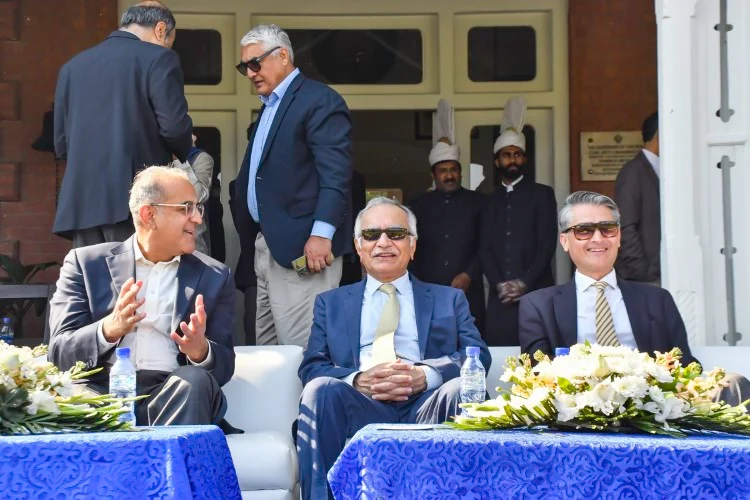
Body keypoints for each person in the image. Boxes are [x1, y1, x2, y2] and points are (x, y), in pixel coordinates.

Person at [296, 196, 490, 500]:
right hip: (362, 405)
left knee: (462, 388)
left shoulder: (448, 299)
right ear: (358, 246)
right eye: (372, 234)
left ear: (412, 246)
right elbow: (312, 367)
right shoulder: (331, 303)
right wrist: (359, 380)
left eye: (396, 234)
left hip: (428, 403)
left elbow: (477, 355)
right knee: (319, 389)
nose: (383, 243)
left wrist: (425, 375)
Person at [518, 191, 749, 406]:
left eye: (608, 229)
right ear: (565, 241)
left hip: (657, 409)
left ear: (618, 237)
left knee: (734, 384)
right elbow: (538, 374)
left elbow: (685, 365)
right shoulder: (539, 305)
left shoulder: (657, 299)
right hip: (576, 412)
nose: (598, 238)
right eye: (584, 230)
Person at [48, 166, 236, 427]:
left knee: (195, 381)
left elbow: (224, 368)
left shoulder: (214, 276)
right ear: (149, 215)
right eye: (186, 208)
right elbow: (59, 354)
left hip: (173, 395)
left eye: (198, 209)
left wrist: (200, 351)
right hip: (100, 394)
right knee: (71, 395)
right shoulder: (86, 264)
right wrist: (108, 330)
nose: (197, 219)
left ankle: (165, 456)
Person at [232, 24, 353, 348]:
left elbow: (336, 175)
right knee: (268, 353)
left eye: (255, 63)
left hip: (306, 250)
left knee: (301, 352)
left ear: (283, 56)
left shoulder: (319, 100)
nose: (250, 73)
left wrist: (321, 234)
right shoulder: (270, 106)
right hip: (267, 246)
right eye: (244, 67)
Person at [53, 1, 192, 247]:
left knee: (90, 271)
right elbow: (174, 127)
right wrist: (184, 147)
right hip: (135, 198)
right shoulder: (160, 58)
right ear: (161, 30)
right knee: (138, 271)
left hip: (81, 203)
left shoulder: (72, 67)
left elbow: (61, 145)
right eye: (169, 41)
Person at [481, 96, 557, 346]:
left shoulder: (542, 194)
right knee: (501, 354)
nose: (512, 160)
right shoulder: (489, 201)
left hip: (536, 290)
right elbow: (485, 249)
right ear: (497, 161)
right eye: (506, 155)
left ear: (524, 159)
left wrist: (524, 283)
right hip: (500, 297)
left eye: (517, 154)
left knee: (539, 353)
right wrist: (500, 285)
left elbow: (547, 245)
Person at [410, 99, 486, 332]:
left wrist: (469, 274)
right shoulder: (418, 205)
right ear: (434, 175)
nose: (449, 175)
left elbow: (487, 244)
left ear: (460, 173)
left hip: (468, 289)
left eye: (453, 170)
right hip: (428, 291)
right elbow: (411, 247)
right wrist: (419, 284)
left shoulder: (479, 202)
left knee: (470, 340)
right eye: (443, 171)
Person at [615, 111, 661, 284]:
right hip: (646, 278)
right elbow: (625, 226)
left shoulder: (662, 169)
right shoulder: (633, 172)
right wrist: (642, 273)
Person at [172, 134, 214, 254]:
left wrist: (179, 160)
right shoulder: (151, 154)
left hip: (193, 244)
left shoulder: (200, 158)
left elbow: (197, 196)